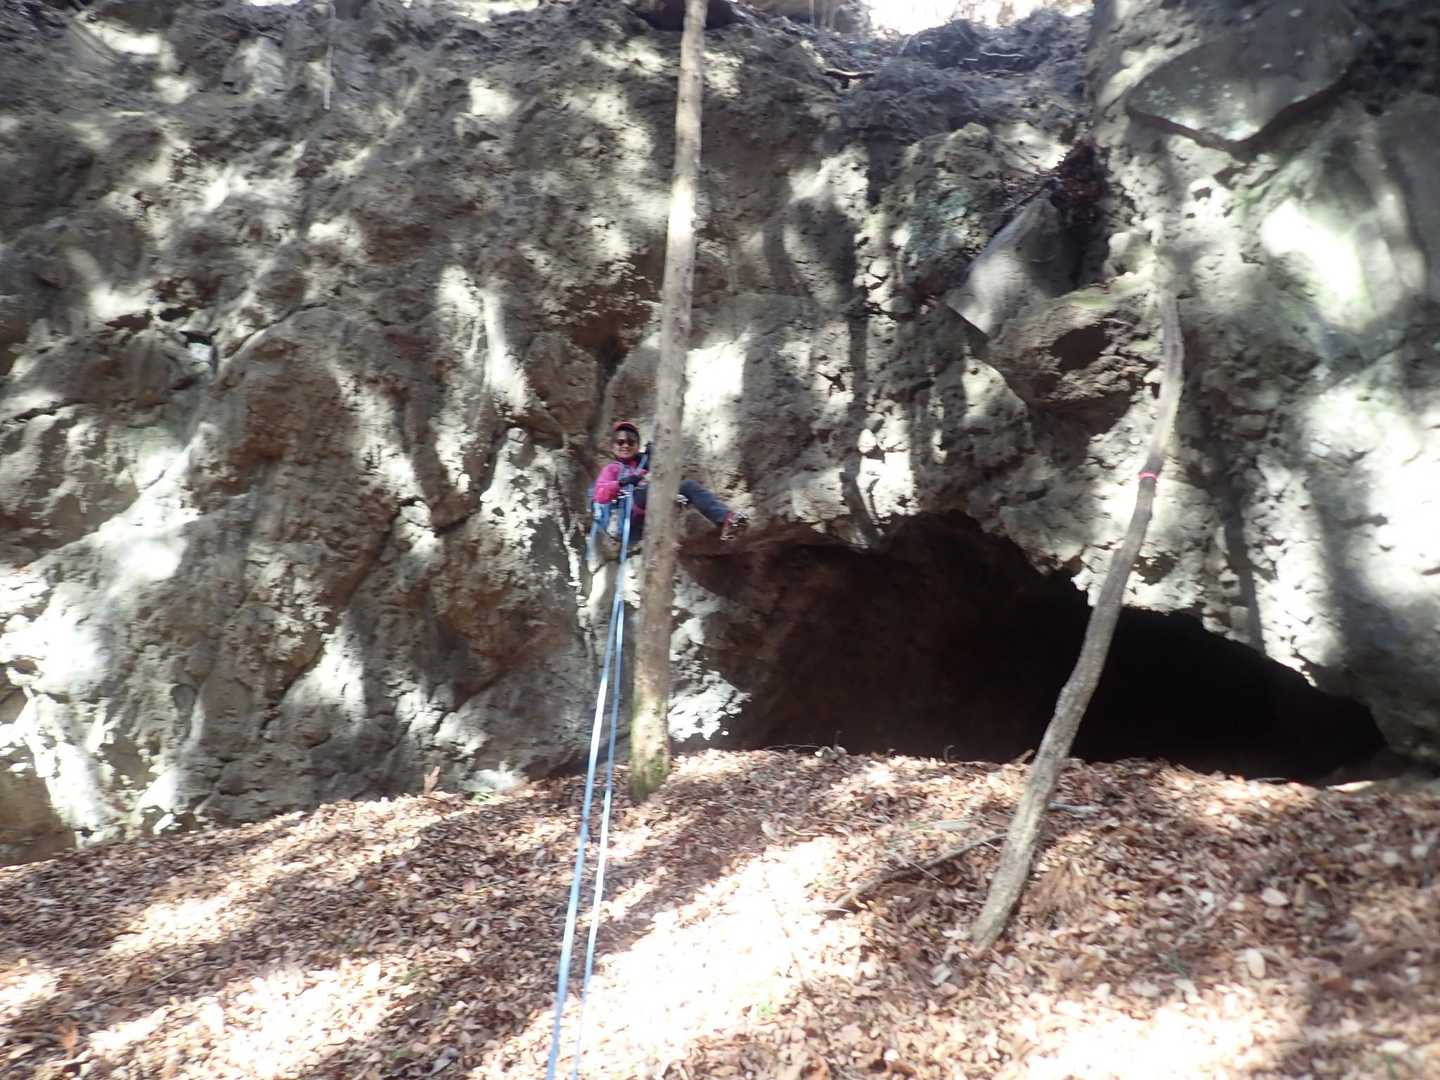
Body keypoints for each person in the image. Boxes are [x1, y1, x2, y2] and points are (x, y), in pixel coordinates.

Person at [592, 420, 748, 543]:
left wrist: (655, 458)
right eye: (620, 442)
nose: (625, 445)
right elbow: (600, 495)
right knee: (646, 490)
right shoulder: (612, 469)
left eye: (631, 442)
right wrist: (622, 482)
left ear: (637, 445)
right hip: (626, 521)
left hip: (648, 517)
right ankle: (670, 501)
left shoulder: (644, 463)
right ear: (613, 446)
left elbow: (667, 474)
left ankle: (727, 519)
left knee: (688, 486)